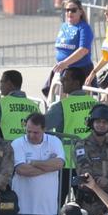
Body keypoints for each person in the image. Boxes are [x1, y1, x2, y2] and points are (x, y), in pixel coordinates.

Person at [45, 67, 97, 201]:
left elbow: (42, 126)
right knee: (87, 204)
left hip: (67, 162)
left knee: (56, 204)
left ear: (76, 82)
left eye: (66, 79)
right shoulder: (95, 104)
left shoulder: (61, 106)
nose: (62, 81)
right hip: (90, 161)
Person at [52, 0, 95, 85]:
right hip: (62, 68)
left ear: (80, 12)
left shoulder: (84, 28)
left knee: (75, 97)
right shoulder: (64, 26)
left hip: (79, 70)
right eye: (67, 10)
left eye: (73, 10)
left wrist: (65, 63)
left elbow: (83, 50)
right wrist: (61, 63)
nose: (69, 13)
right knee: (54, 94)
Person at [0, 69, 38, 142]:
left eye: (1, 82)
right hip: (29, 149)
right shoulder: (35, 106)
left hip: (7, 150)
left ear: (9, 83)